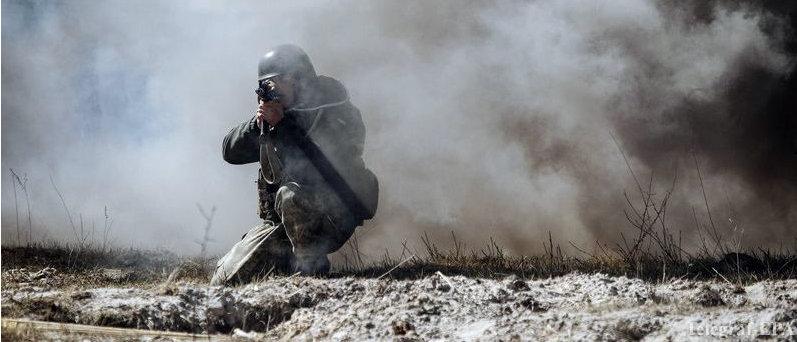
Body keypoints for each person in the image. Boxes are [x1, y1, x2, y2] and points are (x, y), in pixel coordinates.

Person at [211, 44, 378, 286]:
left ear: (299, 80)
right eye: (268, 84)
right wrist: (258, 124)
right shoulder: (277, 117)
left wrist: (285, 125)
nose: (272, 89)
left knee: (291, 195)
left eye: (278, 81)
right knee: (225, 280)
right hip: (286, 223)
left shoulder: (334, 111)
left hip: (333, 213)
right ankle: (288, 262)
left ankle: (312, 270)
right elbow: (229, 151)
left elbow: (326, 164)